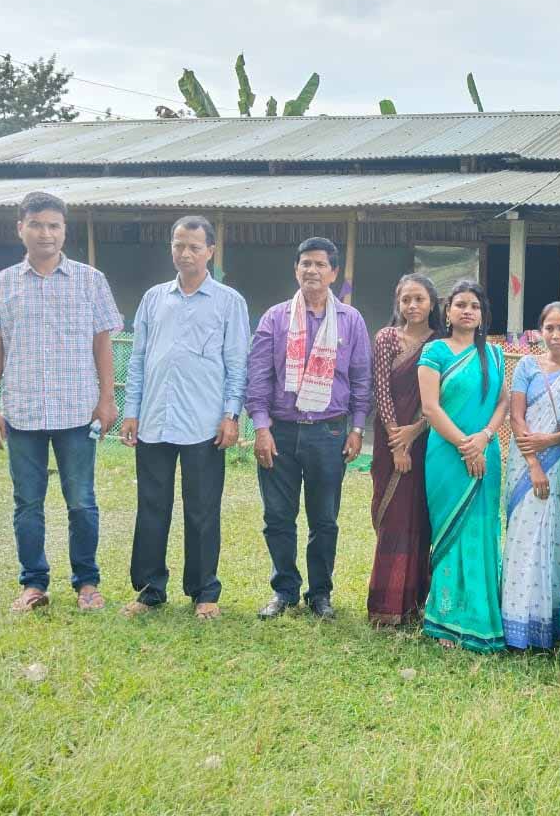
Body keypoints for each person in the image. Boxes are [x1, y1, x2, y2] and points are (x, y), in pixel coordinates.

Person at [0, 191, 122, 613]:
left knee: (82, 502)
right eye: (37, 224)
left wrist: (107, 399)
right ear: (20, 228)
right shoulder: (2, 284)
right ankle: (33, 583)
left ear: (64, 231)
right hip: (22, 414)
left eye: (54, 225)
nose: (46, 233)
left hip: (77, 412)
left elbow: (103, 344)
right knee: (27, 503)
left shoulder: (90, 280)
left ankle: (87, 582)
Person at [118, 215, 250, 621]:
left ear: (210, 251)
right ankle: (150, 589)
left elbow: (237, 364)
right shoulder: (154, 298)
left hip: (204, 424)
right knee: (151, 507)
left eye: (194, 246)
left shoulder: (229, 301)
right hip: (155, 419)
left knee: (202, 509)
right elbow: (138, 359)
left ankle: (204, 591)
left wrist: (231, 415)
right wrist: (131, 410)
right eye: (179, 245)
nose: (185, 253)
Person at [245, 236, 371, 620]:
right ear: (296, 269)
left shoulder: (350, 320)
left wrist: (357, 430)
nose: (312, 270)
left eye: (320, 264)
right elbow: (258, 377)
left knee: (324, 519)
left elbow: (361, 380)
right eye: (306, 263)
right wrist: (261, 428)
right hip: (280, 432)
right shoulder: (275, 318)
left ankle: (320, 594)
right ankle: (284, 591)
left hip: (329, 433)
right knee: (277, 517)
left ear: (334, 273)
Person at [417, 280, 509, 651]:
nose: (467, 311)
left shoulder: (496, 355)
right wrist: (465, 446)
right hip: (446, 456)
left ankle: (481, 615)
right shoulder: (435, 351)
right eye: (460, 305)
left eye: (474, 306)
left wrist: (483, 438)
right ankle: (445, 619)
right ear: (448, 311)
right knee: (449, 531)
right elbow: (430, 408)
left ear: (483, 314)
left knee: (483, 530)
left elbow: (502, 403)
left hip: (486, 452)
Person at [503, 302, 560, 649]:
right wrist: (534, 463)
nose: (555, 335)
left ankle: (555, 622)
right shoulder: (527, 366)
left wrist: (551, 441)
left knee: (559, 537)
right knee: (524, 537)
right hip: (526, 465)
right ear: (540, 332)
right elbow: (517, 418)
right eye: (549, 328)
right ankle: (518, 620)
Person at [366, 274, 441, 627]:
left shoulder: (440, 343)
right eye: (406, 299)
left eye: (419, 299)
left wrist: (416, 431)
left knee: (420, 518)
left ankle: (415, 602)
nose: (412, 305)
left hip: (428, 441)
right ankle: (386, 604)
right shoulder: (386, 338)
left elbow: (441, 398)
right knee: (394, 518)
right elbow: (381, 392)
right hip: (390, 439)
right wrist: (399, 443)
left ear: (432, 303)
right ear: (398, 303)